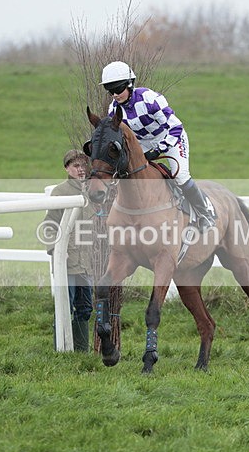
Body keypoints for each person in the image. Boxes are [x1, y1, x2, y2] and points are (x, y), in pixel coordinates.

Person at [99, 60, 216, 230]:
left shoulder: (150, 99)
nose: (115, 95)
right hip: (143, 143)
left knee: (180, 176)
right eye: (111, 91)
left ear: (130, 84)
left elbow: (176, 127)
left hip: (170, 136)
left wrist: (159, 149)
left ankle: (204, 214)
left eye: (118, 89)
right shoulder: (113, 110)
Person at [43, 149, 95, 352]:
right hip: (67, 260)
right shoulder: (60, 192)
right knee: (65, 305)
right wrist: (56, 250)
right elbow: (49, 225)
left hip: (87, 262)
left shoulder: (93, 189)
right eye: (76, 166)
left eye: (83, 165)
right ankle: (62, 349)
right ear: (67, 168)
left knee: (85, 307)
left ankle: (81, 351)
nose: (81, 169)